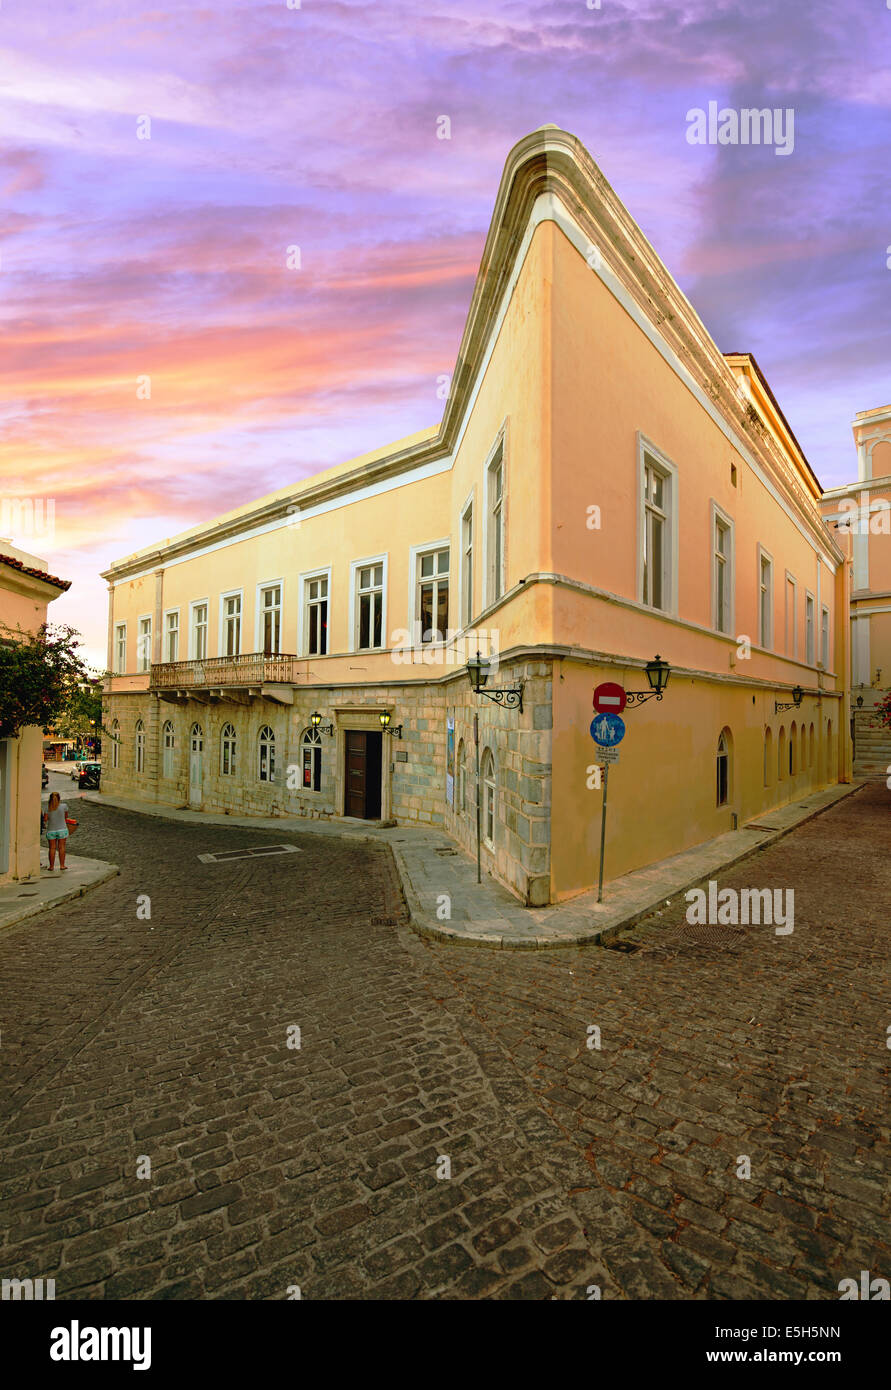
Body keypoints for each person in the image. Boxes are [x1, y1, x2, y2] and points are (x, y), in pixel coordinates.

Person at [42, 791, 70, 871]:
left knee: (52, 848)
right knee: (62, 847)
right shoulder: (64, 806)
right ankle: (62, 865)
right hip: (62, 830)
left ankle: (51, 866)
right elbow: (66, 817)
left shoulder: (47, 808)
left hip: (51, 831)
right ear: (59, 798)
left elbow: (45, 819)